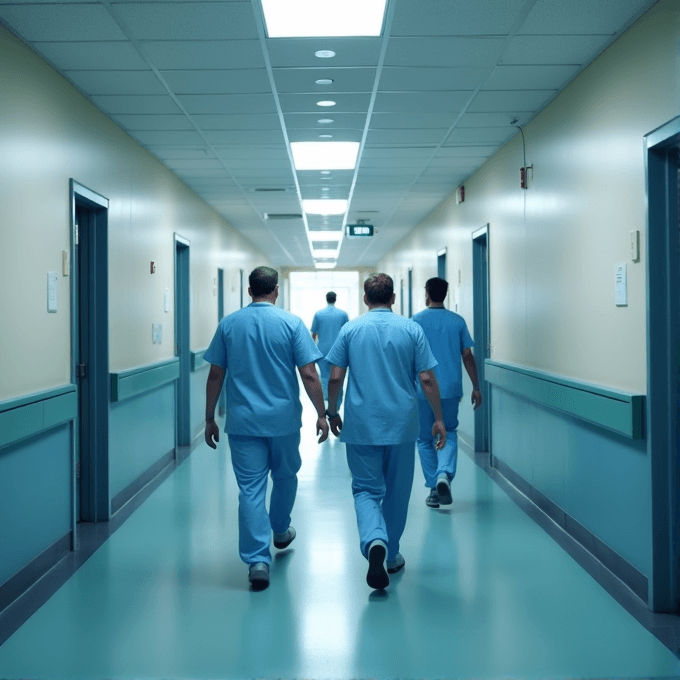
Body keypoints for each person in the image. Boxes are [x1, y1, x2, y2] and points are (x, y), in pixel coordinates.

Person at [204, 266, 329, 590]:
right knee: (286, 476)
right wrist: (321, 412)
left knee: (250, 490)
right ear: (275, 290)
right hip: (283, 421)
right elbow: (310, 374)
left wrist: (208, 417)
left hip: (244, 423)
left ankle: (258, 560)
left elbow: (216, 374)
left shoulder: (229, 324)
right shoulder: (290, 323)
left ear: (250, 291)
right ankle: (280, 528)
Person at [325, 273, 447, 590]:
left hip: (362, 426)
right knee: (397, 492)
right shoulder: (411, 329)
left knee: (366, 490)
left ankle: (373, 540)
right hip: (402, 425)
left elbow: (335, 377)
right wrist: (438, 417)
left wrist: (332, 410)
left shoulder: (350, 330)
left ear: (366, 299)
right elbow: (428, 380)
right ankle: (391, 554)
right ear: (392, 298)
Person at [412, 277, 482, 509]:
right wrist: (476, 386)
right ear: (446, 293)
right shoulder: (457, 321)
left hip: (423, 390)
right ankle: (444, 475)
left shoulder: (415, 322)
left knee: (424, 438)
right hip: (451, 389)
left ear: (427, 294)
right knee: (449, 432)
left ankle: (434, 487)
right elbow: (468, 356)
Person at [311, 292, 349, 408]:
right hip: (339, 350)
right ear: (335, 299)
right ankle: (336, 403)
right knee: (338, 375)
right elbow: (347, 333)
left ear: (326, 299)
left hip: (322, 349)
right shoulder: (343, 315)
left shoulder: (319, 314)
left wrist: (314, 349)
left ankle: (326, 401)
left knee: (324, 375)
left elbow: (314, 334)